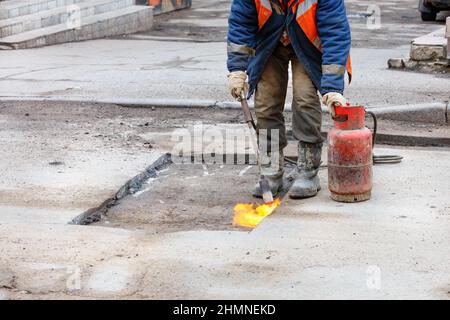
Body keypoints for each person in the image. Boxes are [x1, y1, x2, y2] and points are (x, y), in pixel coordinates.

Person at [227, 0, 352, 199]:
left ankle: (308, 171)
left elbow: (335, 33)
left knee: (305, 99)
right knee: (267, 103)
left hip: (308, 46)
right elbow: (241, 24)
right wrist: (237, 69)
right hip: (269, 44)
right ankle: (271, 171)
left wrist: (332, 89)